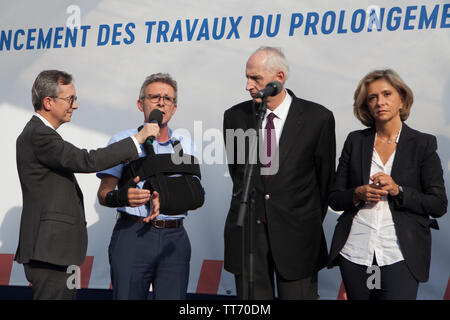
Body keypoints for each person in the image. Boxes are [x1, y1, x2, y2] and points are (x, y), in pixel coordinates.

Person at [15, 70, 160, 300]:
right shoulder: (39, 135)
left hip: (59, 252)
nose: (75, 105)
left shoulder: (42, 135)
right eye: (70, 99)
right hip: (50, 253)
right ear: (48, 102)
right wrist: (138, 139)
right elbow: (87, 160)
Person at [223, 47, 336, 299]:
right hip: (249, 237)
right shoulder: (235, 117)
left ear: (279, 77)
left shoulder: (318, 118)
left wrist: (301, 219)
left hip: (298, 237)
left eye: (255, 79)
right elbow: (239, 174)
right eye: (247, 77)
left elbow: (325, 180)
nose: (247, 86)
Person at [327, 69, 448, 300]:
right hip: (357, 252)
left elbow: (438, 204)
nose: (380, 102)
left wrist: (398, 190)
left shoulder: (422, 144)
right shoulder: (356, 140)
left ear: (402, 99)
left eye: (386, 94)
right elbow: (334, 197)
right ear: (366, 105)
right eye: (372, 97)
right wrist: (357, 193)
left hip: (398, 254)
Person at [97, 73, 198, 300]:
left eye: (167, 99)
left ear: (174, 108)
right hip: (133, 235)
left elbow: (197, 193)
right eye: (154, 97)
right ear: (140, 103)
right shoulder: (123, 141)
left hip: (175, 238)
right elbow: (104, 194)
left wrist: (170, 198)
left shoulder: (185, 145)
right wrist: (123, 197)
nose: (161, 102)